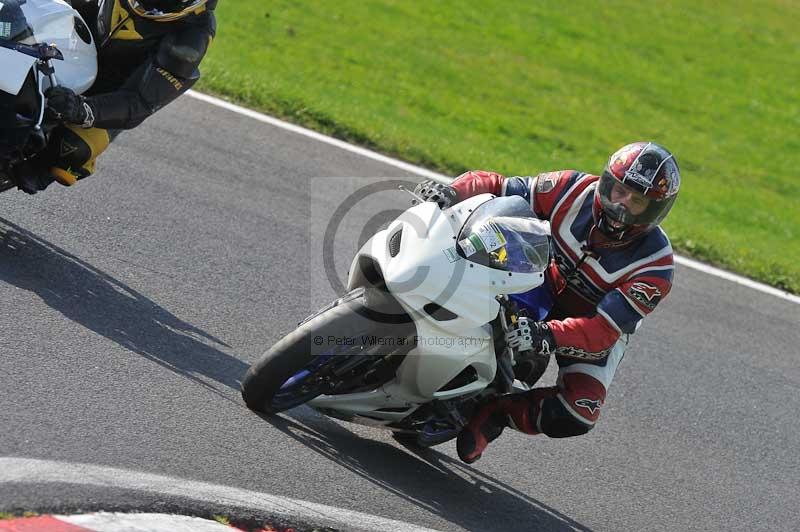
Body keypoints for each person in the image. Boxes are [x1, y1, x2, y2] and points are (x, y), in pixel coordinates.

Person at [415, 141, 681, 463]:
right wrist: (452, 193)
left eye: (636, 201)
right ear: (606, 181)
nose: (620, 204)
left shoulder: (656, 266)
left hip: (591, 323)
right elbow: (501, 186)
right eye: (618, 190)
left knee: (579, 412)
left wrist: (548, 334)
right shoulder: (572, 188)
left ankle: (496, 411)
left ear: (653, 211)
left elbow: (603, 331)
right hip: (538, 278)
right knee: (475, 278)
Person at [18, 0, 217, 194]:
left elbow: (139, 102)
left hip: (105, 96)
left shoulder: (191, 39)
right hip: (64, 47)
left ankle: (42, 164)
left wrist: (82, 109)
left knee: (72, 150)